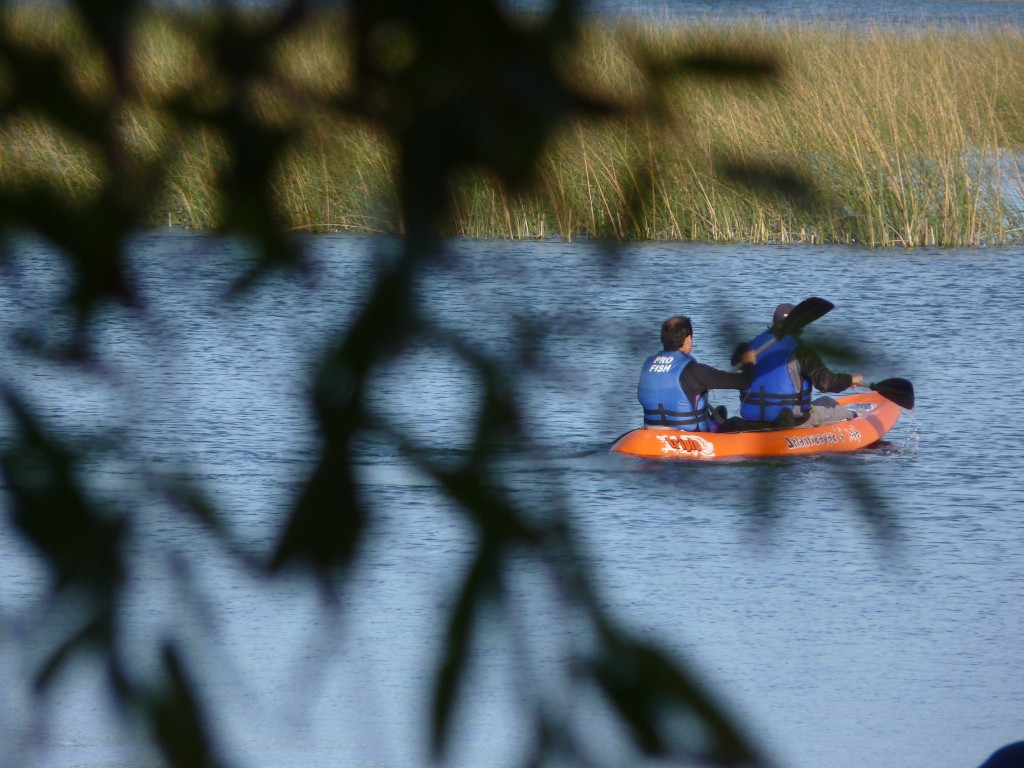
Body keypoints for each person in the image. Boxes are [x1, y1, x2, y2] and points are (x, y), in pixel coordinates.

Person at [734, 302, 864, 429]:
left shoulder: (750, 347)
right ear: (799, 325)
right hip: (793, 420)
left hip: (752, 420)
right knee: (830, 404)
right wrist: (850, 379)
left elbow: (734, 362)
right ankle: (857, 417)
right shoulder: (800, 350)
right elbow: (825, 383)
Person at [638, 315, 756, 432]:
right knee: (736, 423)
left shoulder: (647, 365)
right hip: (691, 435)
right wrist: (750, 363)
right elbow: (744, 382)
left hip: (653, 431)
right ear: (688, 339)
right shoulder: (694, 371)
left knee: (720, 411)